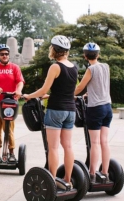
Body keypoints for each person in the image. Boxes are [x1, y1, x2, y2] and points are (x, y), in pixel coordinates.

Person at [23, 35, 77, 190]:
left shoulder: (55, 67)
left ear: (54, 49)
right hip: (70, 111)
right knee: (67, 146)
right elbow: (66, 90)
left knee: (53, 147)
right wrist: (49, 95)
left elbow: (43, 89)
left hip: (56, 110)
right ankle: (68, 179)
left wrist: (29, 95)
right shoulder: (74, 67)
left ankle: (52, 181)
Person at [74, 42, 112, 183]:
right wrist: (89, 93)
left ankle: (91, 174)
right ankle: (105, 173)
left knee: (94, 142)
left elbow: (79, 88)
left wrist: (67, 94)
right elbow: (100, 85)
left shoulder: (90, 70)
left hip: (95, 108)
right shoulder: (106, 67)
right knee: (104, 141)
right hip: (107, 107)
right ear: (98, 54)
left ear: (85, 56)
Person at [0, 44, 25, 162]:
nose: (4, 56)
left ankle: (11, 153)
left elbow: (20, 81)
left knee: (9, 129)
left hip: (10, 103)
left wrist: (18, 90)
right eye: (2, 54)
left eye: (6, 54)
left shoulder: (15, 68)